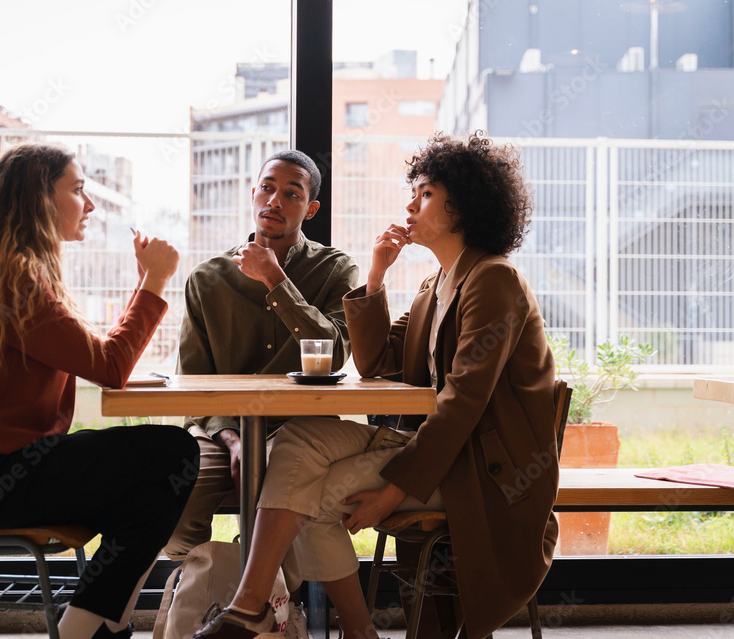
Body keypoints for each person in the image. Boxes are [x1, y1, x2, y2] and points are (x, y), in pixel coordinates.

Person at [193, 131, 558, 639]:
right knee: (296, 438)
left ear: (464, 207)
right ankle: (255, 608)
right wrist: (378, 274)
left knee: (317, 501)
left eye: (426, 194)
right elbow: (378, 362)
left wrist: (394, 489)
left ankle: (317, 623)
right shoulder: (439, 284)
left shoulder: (494, 280)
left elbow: (463, 404)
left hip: (480, 469)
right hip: (430, 446)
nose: (410, 204)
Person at [0, 143, 199, 639]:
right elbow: (110, 365)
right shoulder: (18, 278)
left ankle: (99, 625)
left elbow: (94, 353)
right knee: (173, 452)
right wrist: (156, 281)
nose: (89, 205)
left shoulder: (11, 269)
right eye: (77, 191)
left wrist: (145, 284)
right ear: (39, 200)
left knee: (154, 481)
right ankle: (88, 625)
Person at [164, 150, 359, 596]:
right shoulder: (207, 278)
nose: (275, 200)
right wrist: (232, 439)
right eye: (267, 187)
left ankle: (264, 606)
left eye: (292, 193)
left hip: (301, 434)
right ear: (253, 192)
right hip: (220, 433)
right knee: (174, 494)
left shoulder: (336, 269)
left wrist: (277, 282)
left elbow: (333, 356)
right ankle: (202, 591)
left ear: (310, 209)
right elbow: (193, 384)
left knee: (279, 491)